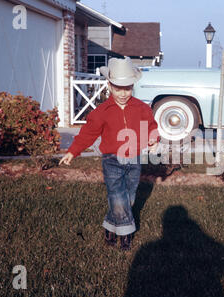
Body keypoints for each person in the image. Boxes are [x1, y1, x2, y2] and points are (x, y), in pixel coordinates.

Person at [59, 57, 159, 251]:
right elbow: (87, 134)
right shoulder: (101, 111)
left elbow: (151, 127)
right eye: (117, 88)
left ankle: (110, 228)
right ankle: (126, 234)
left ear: (132, 86)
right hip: (111, 159)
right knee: (117, 196)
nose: (123, 93)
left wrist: (153, 139)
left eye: (127, 88)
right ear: (109, 86)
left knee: (128, 197)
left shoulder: (142, 108)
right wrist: (73, 151)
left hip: (133, 158)